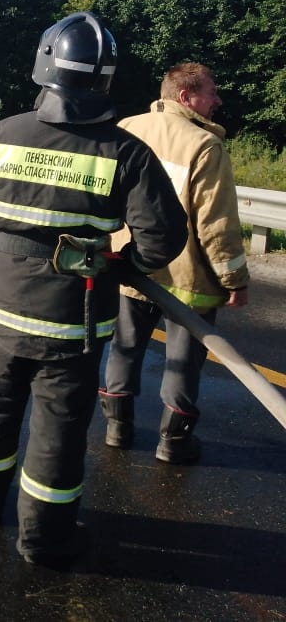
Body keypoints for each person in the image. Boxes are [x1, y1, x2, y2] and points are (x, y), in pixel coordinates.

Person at [0, 11, 187, 566]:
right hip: (74, 323)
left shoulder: (1, 136)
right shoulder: (124, 152)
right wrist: (118, 263)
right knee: (57, 431)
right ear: (104, 78)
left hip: (2, 313)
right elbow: (162, 239)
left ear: (44, 66)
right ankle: (43, 539)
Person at [99, 62, 249, 464]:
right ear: (185, 97)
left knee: (125, 347)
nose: (217, 100)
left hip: (130, 267)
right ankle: (173, 442)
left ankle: (117, 428)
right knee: (182, 362)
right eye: (210, 92)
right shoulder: (204, 145)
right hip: (187, 279)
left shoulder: (126, 129)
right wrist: (234, 279)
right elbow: (216, 225)